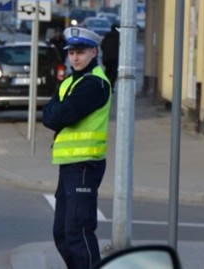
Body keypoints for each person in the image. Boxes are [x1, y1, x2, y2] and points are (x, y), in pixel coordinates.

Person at [41, 26, 112, 269]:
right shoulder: (70, 81)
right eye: (71, 53)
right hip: (69, 165)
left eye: (80, 52)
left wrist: (56, 113)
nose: (75, 57)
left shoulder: (95, 84)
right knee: (61, 232)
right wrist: (55, 113)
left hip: (85, 164)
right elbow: (49, 114)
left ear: (94, 52)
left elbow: (60, 114)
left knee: (78, 231)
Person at [100, 23, 120, 91]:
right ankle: (111, 86)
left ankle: (105, 85)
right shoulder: (119, 37)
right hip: (115, 58)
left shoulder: (106, 36)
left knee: (108, 71)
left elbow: (102, 46)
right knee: (114, 72)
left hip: (106, 58)